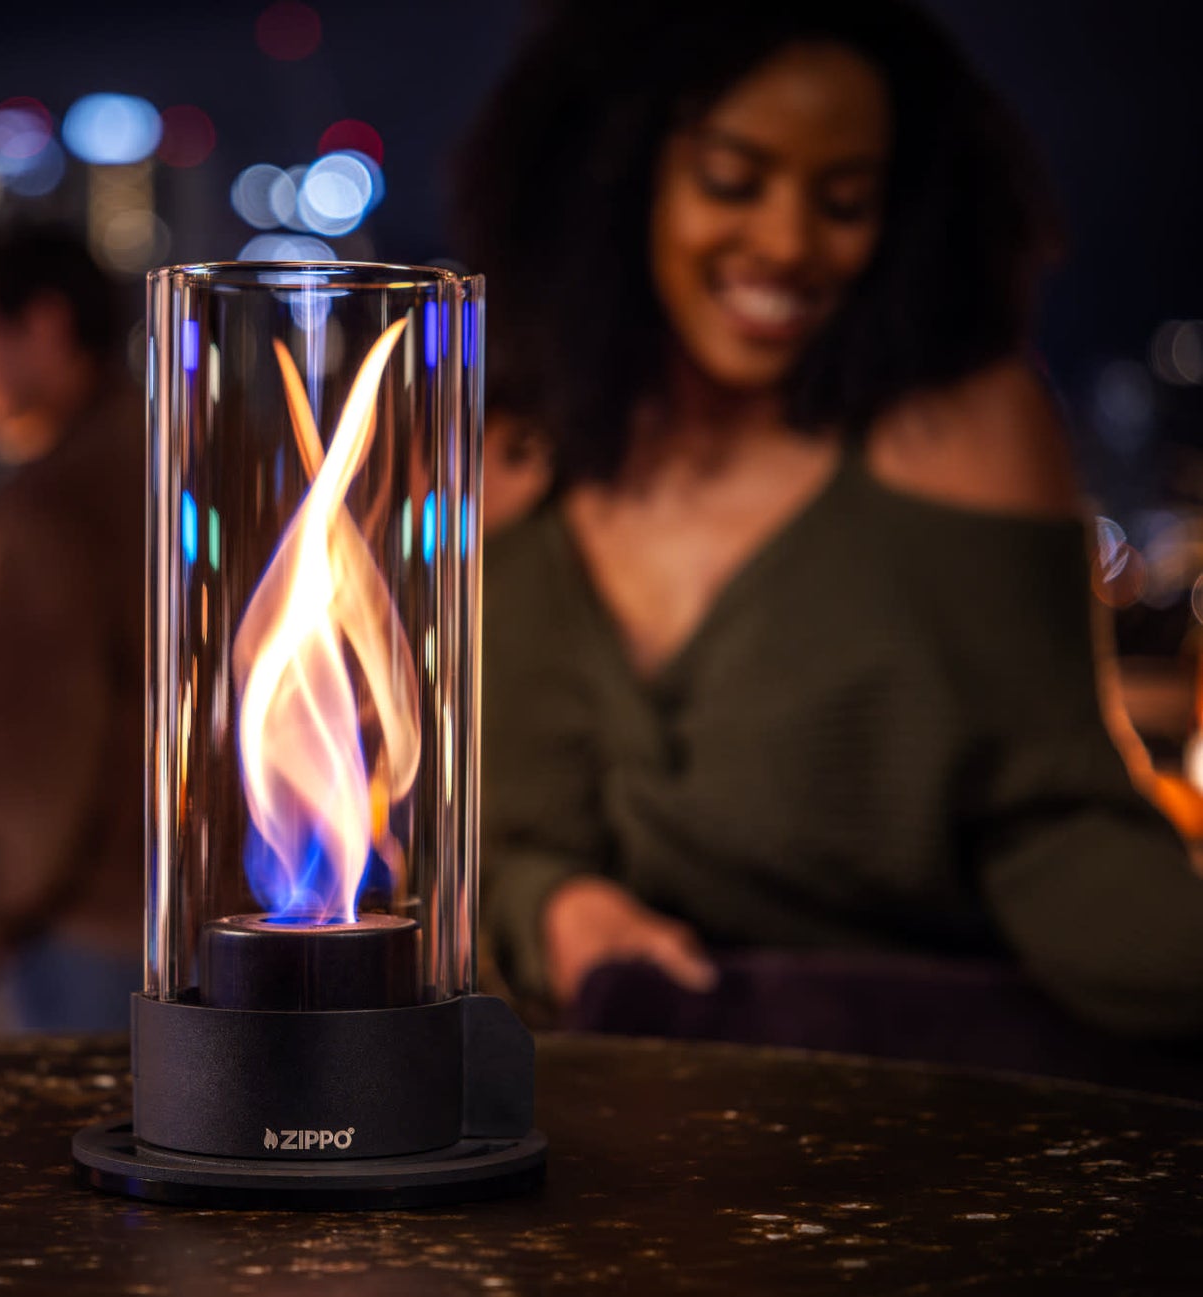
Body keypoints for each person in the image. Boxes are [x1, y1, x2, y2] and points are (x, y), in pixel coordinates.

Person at [458, 0, 1203, 1039]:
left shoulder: (957, 432)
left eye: (845, 201)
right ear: (616, 175)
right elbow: (482, 840)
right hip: (575, 1119)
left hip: (886, 1106)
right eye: (732, 181)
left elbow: (1055, 820)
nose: (788, 242)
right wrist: (556, 912)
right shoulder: (506, 460)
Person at [0, 228, 143, 1032]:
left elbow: (39, 748)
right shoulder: (183, 463)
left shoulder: (51, 507)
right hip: (192, 915)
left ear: (46, 329)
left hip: (79, 925)